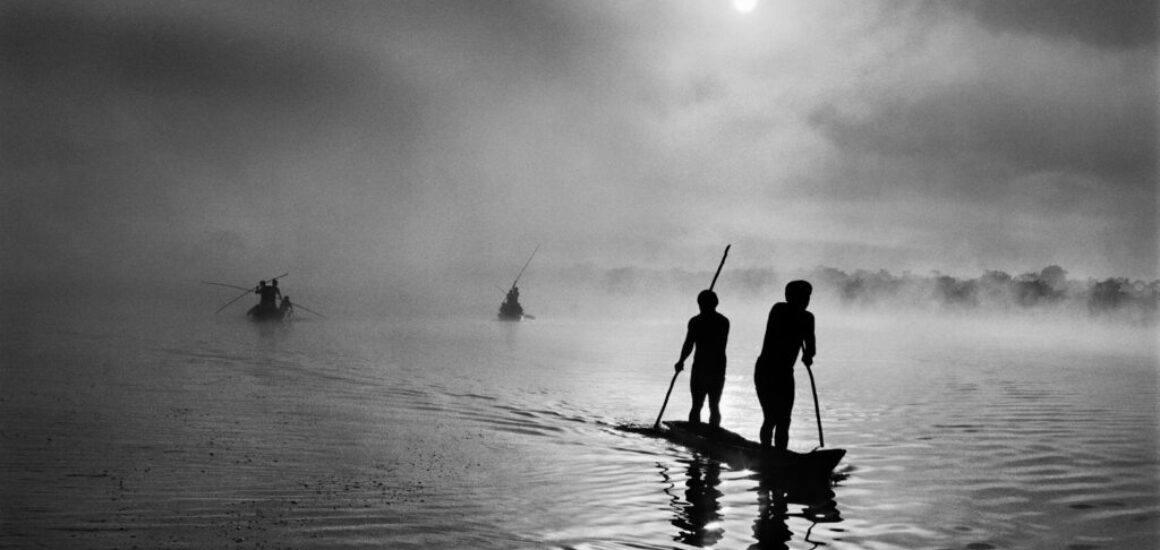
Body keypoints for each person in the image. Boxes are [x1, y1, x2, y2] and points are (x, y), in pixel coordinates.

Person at [754, 280, 815, 452]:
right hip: (766, 370)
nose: (807, 300)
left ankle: (780, 453)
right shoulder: (779, 309)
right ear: (790, 297)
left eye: (808, 297)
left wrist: (808, 355)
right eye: (803, 296)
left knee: (785, 419)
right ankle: (766, 452)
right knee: (771, 417)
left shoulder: (808, 318)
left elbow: (811, 346)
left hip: (785, 374)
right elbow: (790, 322)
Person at [675, 289, 730, 427]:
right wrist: (681, 360)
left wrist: (681, 361)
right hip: (715, 368)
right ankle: (709, 431)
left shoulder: (697, 322)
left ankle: (708, 432)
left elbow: (689, 344)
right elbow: (689, 344)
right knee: (711, 405)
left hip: (705, 368)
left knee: (700, 405)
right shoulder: (723, 321)